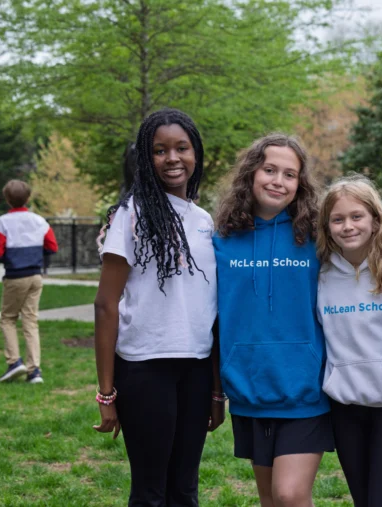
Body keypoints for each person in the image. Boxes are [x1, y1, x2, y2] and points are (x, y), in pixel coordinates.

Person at [93, 108, 224, 506]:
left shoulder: (205, 221)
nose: (172, 158)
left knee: (185, 488)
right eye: (159, 150)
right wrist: (106, 393)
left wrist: (217, 392)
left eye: (181, 148)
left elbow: (214, 309)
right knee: (150, 491)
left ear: (195, 153)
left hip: (197, 368)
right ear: (145, 159)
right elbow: (104, 305)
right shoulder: (129, 217)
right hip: (145, 368)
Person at [213, 134, 333, 507]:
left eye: (290, 174)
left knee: (291, 494)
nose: (278, 181)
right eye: (269, 170)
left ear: (300, 183)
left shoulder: (316, 237)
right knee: (269, 500)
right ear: (251, 173)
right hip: (248, 388)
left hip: (304, 389)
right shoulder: (221, 239)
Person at [316, 175, 382, 506]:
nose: (347, 226)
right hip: (345, 405)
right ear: (327, 226)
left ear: (374, 220)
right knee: (362, 500)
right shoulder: (319, 272)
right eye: (337, 219)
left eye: (357, 216)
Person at [0, 180, 58, 383]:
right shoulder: (39, 221)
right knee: (30, 320)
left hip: (15, 276)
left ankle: (14, 362)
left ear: (7, 199)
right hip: (35, 276)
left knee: (8, 318)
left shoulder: (3, 222)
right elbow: (52, 246)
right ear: (28, 198)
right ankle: (34, 371)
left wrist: (6, 258)